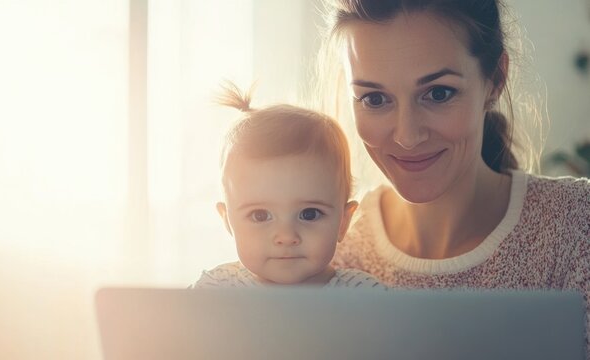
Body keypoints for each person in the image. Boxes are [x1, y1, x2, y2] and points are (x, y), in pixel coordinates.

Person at [313, 0, 589, 355]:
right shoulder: (326, 247)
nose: (407, 136)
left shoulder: (576, 226)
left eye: (439, 93)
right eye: (375, 99)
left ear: (495, 80)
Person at [192, 82, 383, 288]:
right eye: (260, 215)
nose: (286, 236)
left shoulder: (364, 294)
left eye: (309, 214)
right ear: (228, 220)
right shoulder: (216, 288)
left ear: (343, 221)